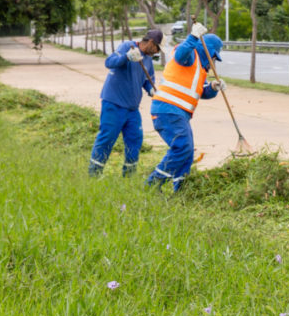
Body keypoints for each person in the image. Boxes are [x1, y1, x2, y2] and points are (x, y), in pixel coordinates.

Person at [146, 22, 224, 192]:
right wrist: (193, 36)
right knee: (182, 147)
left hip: (178, 113)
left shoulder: (201, 69)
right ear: (207, 50)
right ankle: (152, 184)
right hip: (167, 110)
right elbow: (181, 54)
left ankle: (181, 190)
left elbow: (201, 92)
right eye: (214, 56)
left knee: (187, 153)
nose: (214, 61)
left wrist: (213, 88)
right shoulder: (190, 56)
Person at [89, 29, 163, 177]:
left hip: (132, 108)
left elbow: (148, 81)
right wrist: (127, 57)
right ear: (150, 42)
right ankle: (94, 174)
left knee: (135, 139)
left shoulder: (148, 60)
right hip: (114, 103)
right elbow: (109, 62)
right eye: (157, 48)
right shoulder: (127, 47)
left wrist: (152, 90)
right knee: (107, 138)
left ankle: (129, 175)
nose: (156, 52)